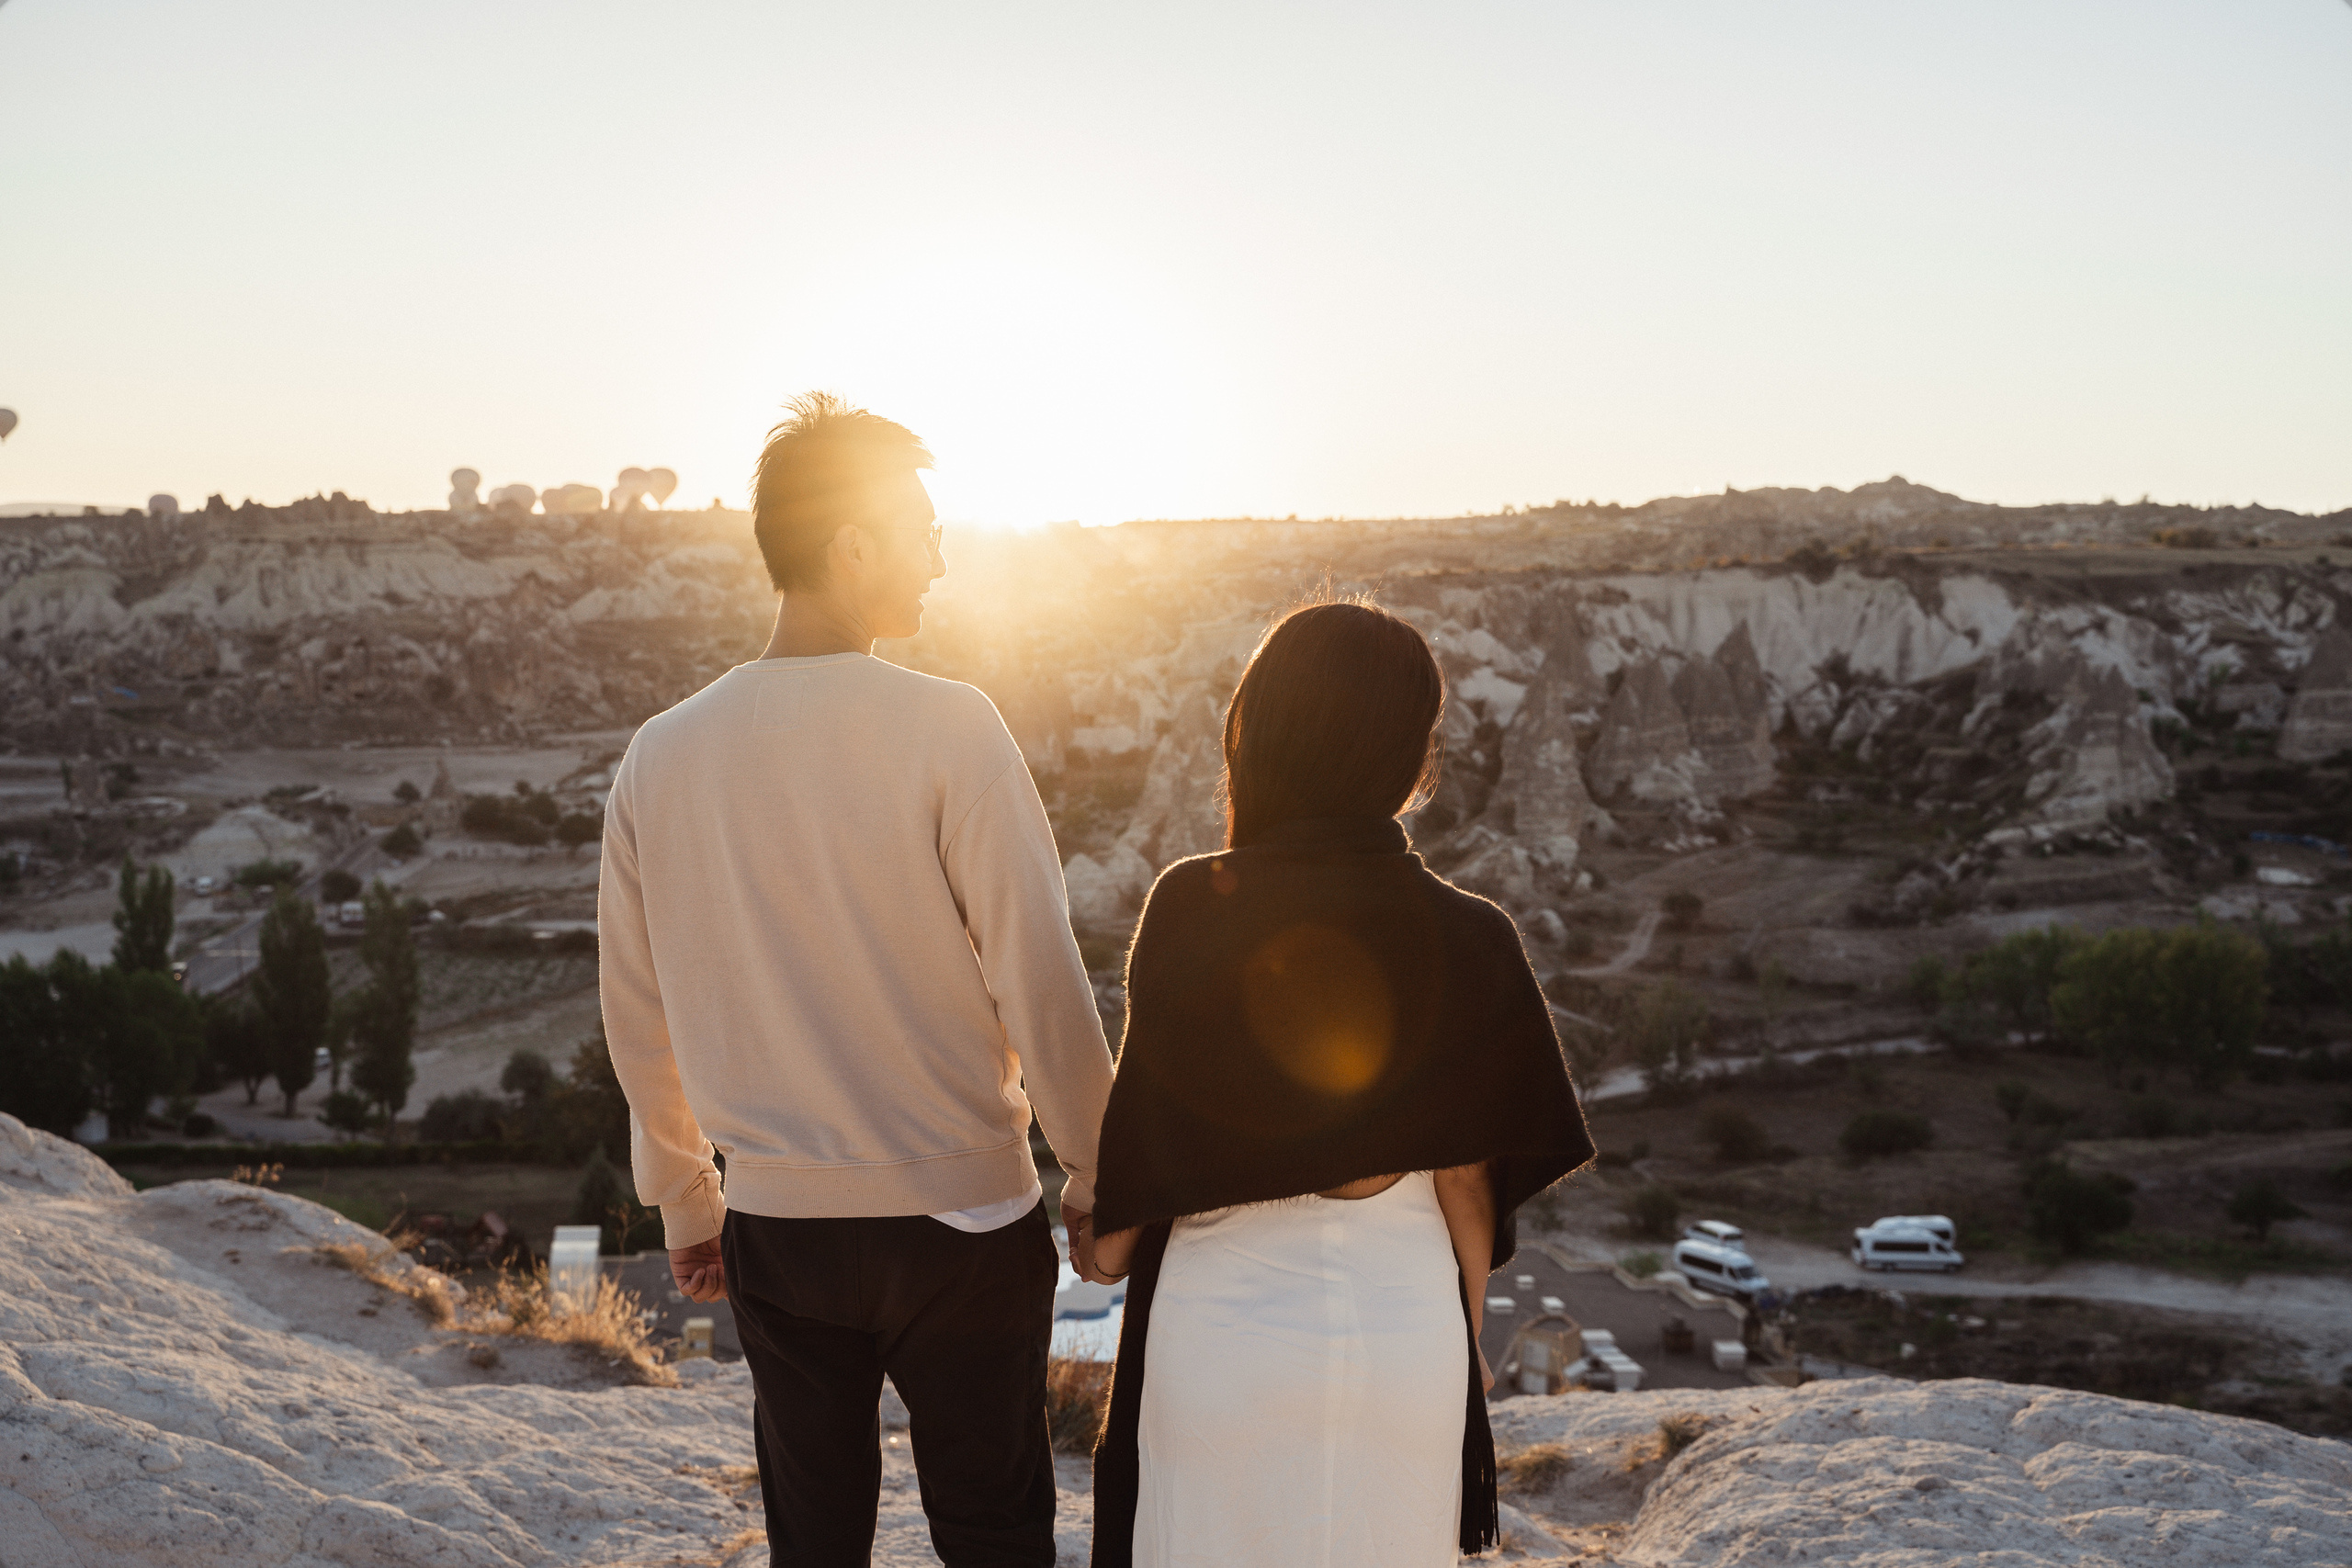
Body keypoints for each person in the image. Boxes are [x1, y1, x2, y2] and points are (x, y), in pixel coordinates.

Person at [598, 392, 1116, 1567]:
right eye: (924, 529)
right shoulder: (952, 728)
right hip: (967, 1220)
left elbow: (639, 1011)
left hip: (779, 1225)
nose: (940, 558)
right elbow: (1040, 974)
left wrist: (687, 1198)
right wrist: (1096, 1171)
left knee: (813, 1540)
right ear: (853, 545)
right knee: (994, 1533)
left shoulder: (661, 754)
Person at [1082, 601, 1595, 1568]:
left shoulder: (1193, 902)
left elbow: (1148, 1141)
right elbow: (1465, 1188)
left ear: (1257, 736)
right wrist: (1460, 1349)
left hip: (1220, 1333)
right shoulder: (1474, 934)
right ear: (1410, 756)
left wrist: (1101, 1248)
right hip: (1404, 1335)